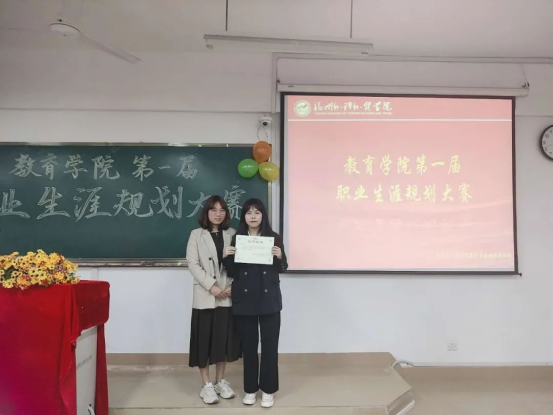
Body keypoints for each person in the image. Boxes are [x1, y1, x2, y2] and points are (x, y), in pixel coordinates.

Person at [223, 198, 288, 408]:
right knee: (249, 347)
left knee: (270, 346)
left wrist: (280, 256)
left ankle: (268, 390)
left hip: (269, 300)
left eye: (257, 212)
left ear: (263, 215)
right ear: (244, 216)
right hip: (245, 300)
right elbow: (233, 272)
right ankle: (250, 389)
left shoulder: (274, 237)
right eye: (249, 212)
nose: (253, 216)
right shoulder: (237, 238)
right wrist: (226, 257)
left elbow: (282, 268)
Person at [186, 195, 241, 405]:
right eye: (214, 209)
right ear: (206, 212)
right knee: (203, 340)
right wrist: (212, 286)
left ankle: (220, 381)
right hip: (205, 296)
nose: (218, 214)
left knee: (222, 340)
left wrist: (233, 286)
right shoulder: (196, 235)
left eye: (222, 210)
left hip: (227, 294)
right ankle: (206, 384)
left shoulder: (233, 234)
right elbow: (193, 264)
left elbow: (241, 263)